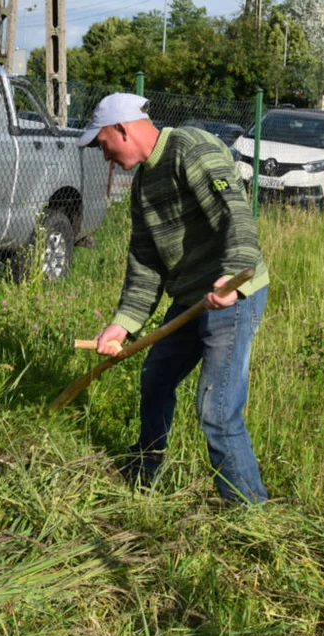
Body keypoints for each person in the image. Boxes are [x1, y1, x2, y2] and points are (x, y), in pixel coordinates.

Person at [79, 93, 270, 504]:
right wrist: (123, 324)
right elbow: (145, 265)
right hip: (191, 297)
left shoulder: (191, 148)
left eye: (103, 145)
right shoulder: (144, 184)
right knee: (156, 378)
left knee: (216, 410)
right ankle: (144, 471)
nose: (105, 157)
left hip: (231, 295)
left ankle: (250, 509)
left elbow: (234, 212)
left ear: (122, 129)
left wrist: (231, 279)